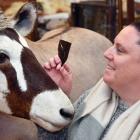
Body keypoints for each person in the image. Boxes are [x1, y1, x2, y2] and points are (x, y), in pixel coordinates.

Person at [43, 22, 140, 140]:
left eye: (119, 50)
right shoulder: (93, 96)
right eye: (113, 45)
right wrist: (57, 96)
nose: (106, 53)